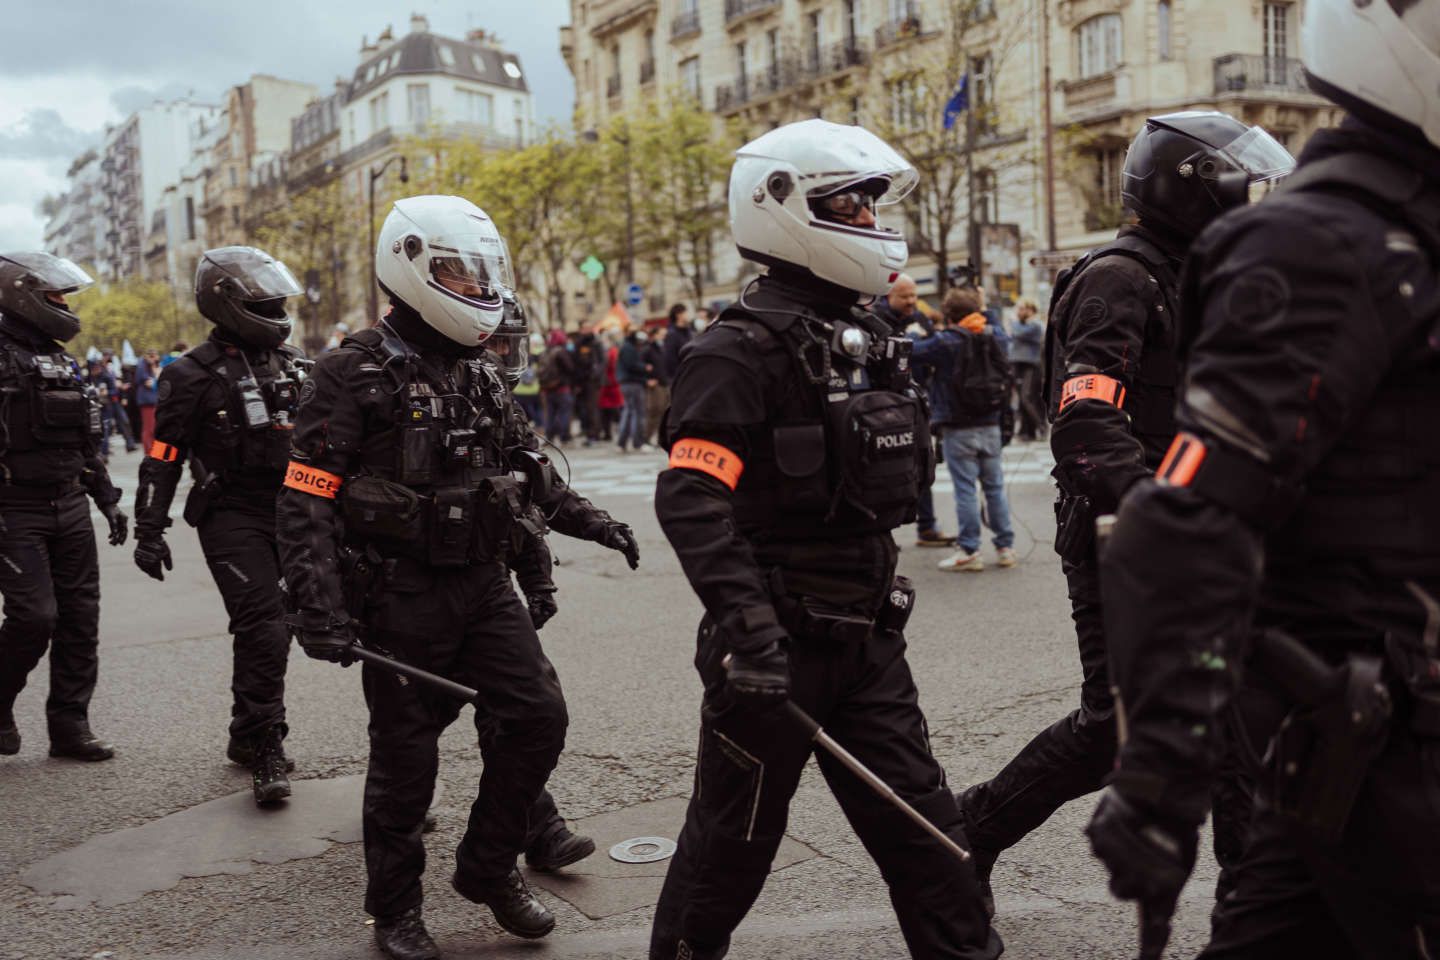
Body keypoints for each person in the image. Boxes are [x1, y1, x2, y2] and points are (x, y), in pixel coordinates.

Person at [1087, 3, 1440, 955]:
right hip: (1382, 739)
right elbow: (1184, 515)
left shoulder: (1411, 223)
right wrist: (1162, 771)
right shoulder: (1321, 244)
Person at [651, 118, 999, 960]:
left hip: (870, 640)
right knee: (726, 858)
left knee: (932, 839)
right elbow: (691, 497)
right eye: (851, 203)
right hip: (776, 651)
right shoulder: (736, 349)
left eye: (873, 205)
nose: (874, 223)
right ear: (785, 208)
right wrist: (752, 633)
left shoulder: (869, 337)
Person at [277, 195, 640, 960]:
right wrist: (319, 609)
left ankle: (486, 868)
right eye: (456, 271)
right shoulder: (350, 371)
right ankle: (396, 911)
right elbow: (305, 498)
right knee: (407, 762)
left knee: (537, 717)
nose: (476, 289)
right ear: (408, 265)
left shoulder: (478, 373)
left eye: (482, 275)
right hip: (401, 594)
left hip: (482, 585)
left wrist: (599, 525)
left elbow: (528, 476)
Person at [957, 111, 1296, 915]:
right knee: (1118, 727)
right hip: (1131, 542)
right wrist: (1164, 519)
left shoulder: (1202, 272)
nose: (1253, 197)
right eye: (1236, 183)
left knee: (1242, 723)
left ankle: (1251, 909)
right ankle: (970, 825)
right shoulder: (1122, 278)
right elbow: (1085, 421)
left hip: (1212, 537)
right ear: (1189, 189)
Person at [131, 246, 309, 805]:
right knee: (264, 625)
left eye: (278, 298)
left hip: (296, 511)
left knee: (311, 623)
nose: (277, 307)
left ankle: (243, 732)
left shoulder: (297, 362)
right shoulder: (189, 373)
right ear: (227, 303)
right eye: (264, 300)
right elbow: (164, 451)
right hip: (231, 514)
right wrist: (149, 526)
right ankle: (265, 747)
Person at [0, 252, 128, 761]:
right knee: (34, 617)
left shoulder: (59, 357)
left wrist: (108, 503)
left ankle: (70, 727)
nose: (64, 306)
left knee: (80, 618)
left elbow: (83, 442)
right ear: (23, 294)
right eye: (56, 297)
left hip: (70, 503)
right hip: (14, 507)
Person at [913, 286, 1017, 573]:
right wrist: (984, 306)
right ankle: (1005, 546)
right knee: (995, 488)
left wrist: (913, 330)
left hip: (958, 425)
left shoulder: (946, 341)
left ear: (949, 314)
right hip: (991, 421)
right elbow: (999, 329)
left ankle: (970, 549)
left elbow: (913, 351)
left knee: (965, 490)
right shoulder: (993, 334)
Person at [873, 272, 952, 548]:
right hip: (885, 405)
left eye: (913, 295)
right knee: (884, 470)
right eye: (904, 296)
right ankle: (883, 534)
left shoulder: (919, 318)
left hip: (916, 402)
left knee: (922, 464)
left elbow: (934, 351)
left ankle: (927, 526)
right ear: (889, 296)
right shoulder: (875, 321)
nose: (911, 301)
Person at [1008, 299, 1044, 442]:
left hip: (1030, 366)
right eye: (1019, 308)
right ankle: (1028, 431)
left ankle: (1040, 426)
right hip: (1018, 365)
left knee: (1026, 397)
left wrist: (1012, 321)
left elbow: (1017, 332)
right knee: (1022, 400)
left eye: (1023, 308)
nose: (1019, 311)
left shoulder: (1035, 325)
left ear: (1031, 310)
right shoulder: (1023, 324)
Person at [537, 328, 575, 442]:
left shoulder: (545, 351)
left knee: (550, 413)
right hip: (562, 388)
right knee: (564, 412)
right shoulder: (561, 352)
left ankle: (550, 436)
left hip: (547, 388)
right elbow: (570, 368)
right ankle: (564, 436)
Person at [616, 327, 649, 452]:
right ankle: (637, 442)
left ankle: (622, 442)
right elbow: (632, 365)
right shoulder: (629, 348)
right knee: (637, 413)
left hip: (627, 383)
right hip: (632, 383)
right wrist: (645, 367)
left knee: (629, 412)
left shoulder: (626, 347)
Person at [643, 325, 668, 446]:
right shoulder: (648, 349)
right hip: (655, 384)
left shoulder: (663, 348)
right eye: (661, 334)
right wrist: (647, 379)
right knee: (654, 411)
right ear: (654, 335)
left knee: (664, 412)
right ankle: (646, 438)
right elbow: (641, 367)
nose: (663, 336)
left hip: (664, 382)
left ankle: (659, 438)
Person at [134, 348, 161, 451]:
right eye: (152, 356)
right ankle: (149, 450)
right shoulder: (142, 365)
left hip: (151, 399)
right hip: (147, 400)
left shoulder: (149, 366)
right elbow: (148, 382)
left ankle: (152, 449)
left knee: (152, 426)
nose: (154, 359)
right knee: (148, 427)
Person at [660, 303, 692, 383]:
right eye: (686, 313)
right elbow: (670, 359)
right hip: (681, 377)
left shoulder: (688, 331)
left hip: (691, 374)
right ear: (678, 315)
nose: (688, 315)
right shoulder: (672, 334)